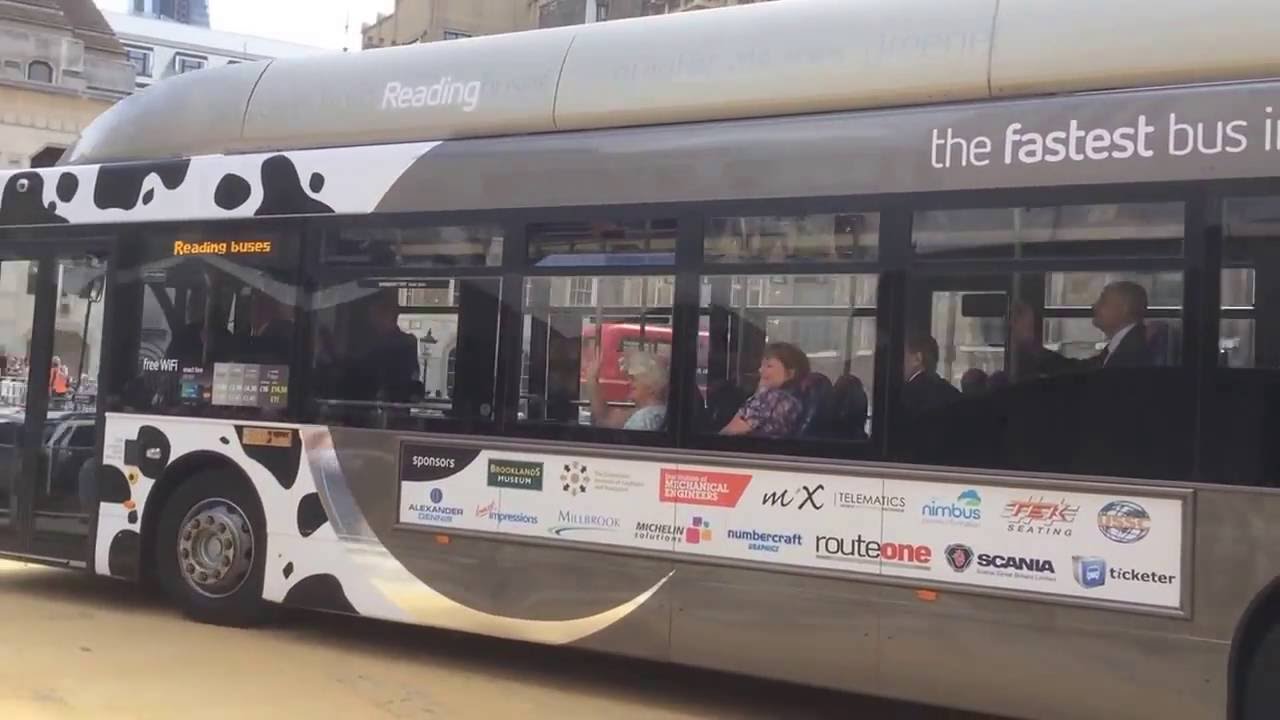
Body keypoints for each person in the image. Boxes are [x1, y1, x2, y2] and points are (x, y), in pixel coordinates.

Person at [1011, 280, 1154, 373]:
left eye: (1102, 300)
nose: (1094, 306)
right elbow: (1079, 371)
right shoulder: (1123, 345)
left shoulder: (1135, 351)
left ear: (1123, 309)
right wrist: (1030, 342)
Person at [720, 342, 808, 438]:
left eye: (769, 366)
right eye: (762, 365)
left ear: (790, 374)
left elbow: (730, 432)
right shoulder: (794, 400)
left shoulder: (773, 398)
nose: (760, 370)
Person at [587, 350, 668, 431]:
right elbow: (606, 418)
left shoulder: (643, 420)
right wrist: (592, 379)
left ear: (651, 387)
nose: (629, 382)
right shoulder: (658, 412)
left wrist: (591, 379)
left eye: (634, 379)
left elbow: (606, 420)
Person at [901, 333, 960, 418]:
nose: (898, 361)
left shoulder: (907, 394)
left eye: (902, 356)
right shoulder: (951, 391)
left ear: (917, 359)